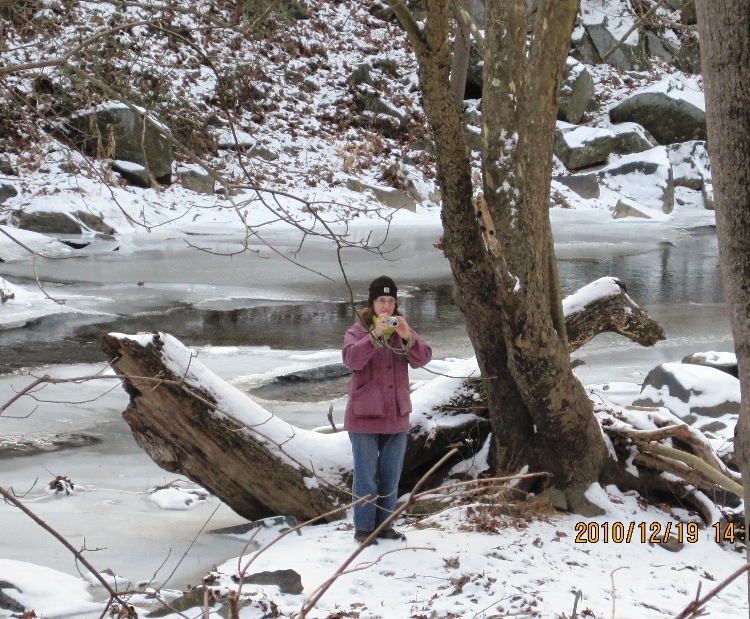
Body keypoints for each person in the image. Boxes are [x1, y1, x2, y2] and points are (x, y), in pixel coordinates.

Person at [342, 275, 432, 544]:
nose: (386, 306)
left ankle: (386, 526)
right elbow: (352, 360)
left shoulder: (402, 329)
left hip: (396, 415)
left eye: (391, 301)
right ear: (372, 303)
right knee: (366, 478)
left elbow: (424, 358)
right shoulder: (357, 331)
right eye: (382, 300)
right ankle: (364, 528)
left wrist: (408, 338)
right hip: (364, 416)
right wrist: (374, 336)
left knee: (391, 477)